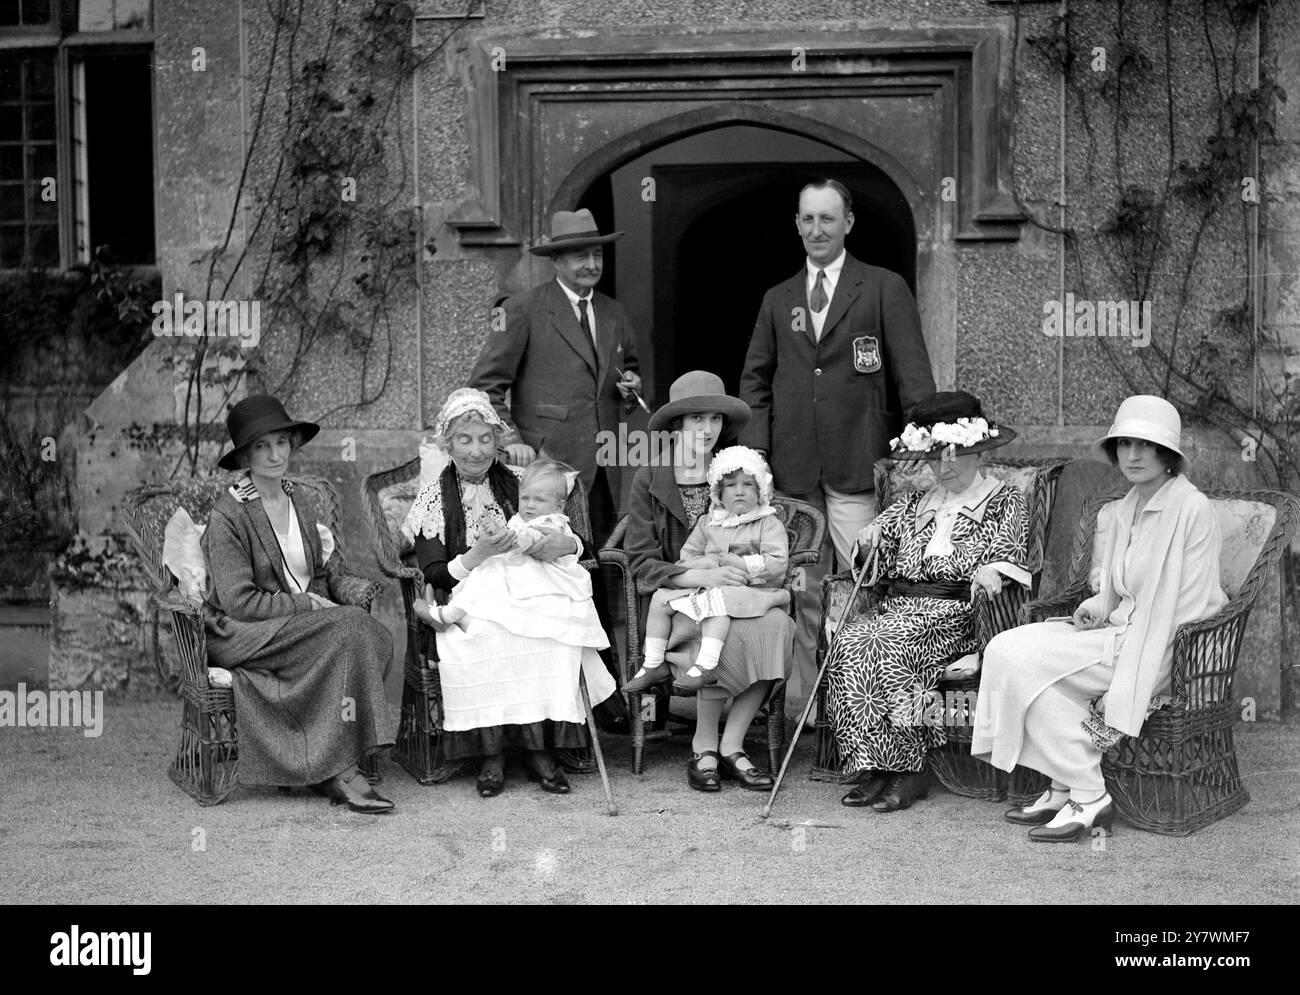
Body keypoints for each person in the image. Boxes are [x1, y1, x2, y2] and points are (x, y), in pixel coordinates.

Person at [972, 395, 1226, 842]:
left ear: (1168, 455)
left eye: (1145, 445)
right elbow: (1115, 588)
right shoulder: (1125, 507)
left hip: (1156, 649)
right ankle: (1070, 784)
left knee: (1021, 663)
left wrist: (1137, 677)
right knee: (1005, 653)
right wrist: (1095, 607)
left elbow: (1188, 609)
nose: (1132, 455)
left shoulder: (1192, 510)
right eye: (1125, 444)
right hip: (1113, 635)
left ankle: (1083, 793)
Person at [740, 178, 936, 706]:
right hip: (795, 468)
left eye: (828, 218)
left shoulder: (882, 286)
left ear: (848, 222)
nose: (816, 229)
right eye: (807, 219)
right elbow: (755, 381)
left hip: (857, 461)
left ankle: (864, 702)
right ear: (797, 224)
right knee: (801, 590)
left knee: (862, 584)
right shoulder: (778, 298)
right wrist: (757, 452)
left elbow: (912, 374)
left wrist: (921, 445)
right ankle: (808, 708)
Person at [468, 208, 642, 730]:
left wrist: (628, 388)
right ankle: (555, 705)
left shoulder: (613, 312)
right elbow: (486, 386)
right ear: (557, 261)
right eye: (579, 254)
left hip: (605, 468)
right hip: (546, 476)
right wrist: (512, 441)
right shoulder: (524, 309)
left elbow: (626, 371)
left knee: (601, 575)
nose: (591, 263)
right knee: (548, 579)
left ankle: (606, 693)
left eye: (597, 254)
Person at [402, 389, 613, 798]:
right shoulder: (433, 498)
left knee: (549, 632)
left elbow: (581, 539)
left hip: (533, 587)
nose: (477, 450)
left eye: (485, 438)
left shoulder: (522, 484)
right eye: (465, 440)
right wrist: (477, 554)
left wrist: (565, 546)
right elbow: (432, 573)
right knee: (484, 635)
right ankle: (492, 755)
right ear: (448, 443)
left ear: (498, 440)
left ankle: (538, 750)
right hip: (470, 593)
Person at [826, 391, 1028, 813]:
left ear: (978, 451)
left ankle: (911, 769)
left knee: (889, 643)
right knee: (850, 642)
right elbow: (872, 561)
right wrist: (869, 542)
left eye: (954, 455)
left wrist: (995, 570)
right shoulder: (913, 503)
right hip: (899, 608)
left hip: (958, 614)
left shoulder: (1005, 500)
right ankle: (876, 765)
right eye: (935, 457)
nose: (945, 466)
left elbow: (1013, 558)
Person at [204, 395, 396, 814]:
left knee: (361, 633)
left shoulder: (300, 502)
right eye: (261, 446)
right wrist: (306, 606)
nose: (275, 455)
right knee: (353, 629)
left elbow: (318, 575)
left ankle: (328, 762)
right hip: (242, 633)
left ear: (292, 445)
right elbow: (238, 602)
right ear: (244, 456)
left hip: (295, 631)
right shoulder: (229, 516)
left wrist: (320, 600)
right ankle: (344, 771)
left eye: (281, 443)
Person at [624, 371, 795, 792]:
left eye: (714, 419)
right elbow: (639, 561)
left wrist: (750, 569)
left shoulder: (736, 470)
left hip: (742, 595)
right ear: (677, 424)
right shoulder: (650, 477)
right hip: (678, 602)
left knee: (777, 627)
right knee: (721, 631)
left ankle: (732, 744)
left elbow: (769, 524)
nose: (706, 428)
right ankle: (704, 745)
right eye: (696, 418)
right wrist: (704, 574)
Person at [624, 446, 789, 693]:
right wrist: (705, 565)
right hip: (709, 584)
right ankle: (653, 663)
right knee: (660, 599)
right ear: (719, 493)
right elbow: (686, 556)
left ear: (761, 491)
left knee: (717, 602)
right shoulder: (709, 523)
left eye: (748, 485)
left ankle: (706, 664)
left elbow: (778, 562)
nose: (740, 491)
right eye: (731, 486)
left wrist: (742, 563)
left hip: (748, 589)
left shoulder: (767, 523)